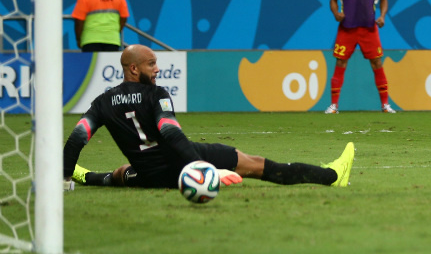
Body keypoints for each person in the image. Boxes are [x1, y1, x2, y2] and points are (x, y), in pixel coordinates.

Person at [66, 45, 355, 190]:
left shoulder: (103, 102)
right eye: (151, 64)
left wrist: (63, 172)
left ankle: (79, 175)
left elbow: (77, 136)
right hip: (178, 164)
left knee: (121, 173)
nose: (157, 70)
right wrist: (202, 168)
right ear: (133, 69)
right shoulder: (156, 94)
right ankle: (332, 176)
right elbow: (171, 134)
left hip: (151, 176)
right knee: (255, 165)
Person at [327, 0, 394, 114]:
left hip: (368, 28)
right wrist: (336, 13)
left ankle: (385, 105)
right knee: (340, 62)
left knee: (377, 62)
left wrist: (383, 16)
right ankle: (334, 106)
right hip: (347, 27)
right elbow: (333, 0)